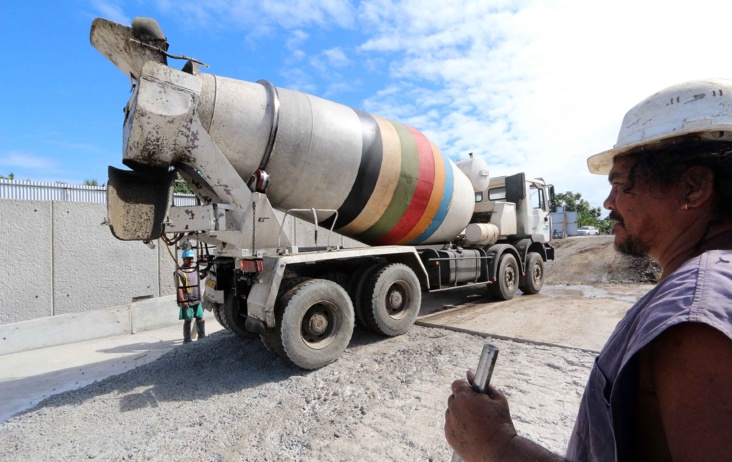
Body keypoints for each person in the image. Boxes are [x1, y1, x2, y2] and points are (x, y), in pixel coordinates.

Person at [445, 78, 732, 461]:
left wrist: (497, 445)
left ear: (693, 187)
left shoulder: (695, 318)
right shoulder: (708, 289)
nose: (608, 203)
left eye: (621, 184)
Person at [177, 249, 205, 344]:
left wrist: (205, 274)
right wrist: (183, 300)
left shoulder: (194, 269)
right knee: (188, 319)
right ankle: (187, 339)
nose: (191, 260)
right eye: (189, 258)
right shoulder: (180, 272)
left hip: (197, 298)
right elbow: (179, 288)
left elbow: (198, 278)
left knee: (200, 317)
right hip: (187, 300)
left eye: (192, 258)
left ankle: (202, 336)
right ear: (184, 259)